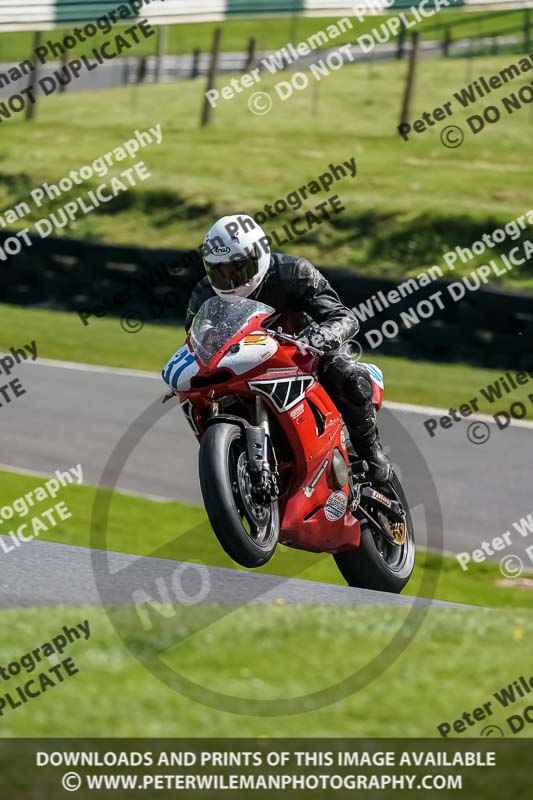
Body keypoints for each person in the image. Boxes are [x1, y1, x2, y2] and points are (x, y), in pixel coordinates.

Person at [183, 213, 391, 484]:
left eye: (237, 268)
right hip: (243, 366)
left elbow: (344, 317)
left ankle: (372, 455)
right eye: (219, 271)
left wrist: (323, 336)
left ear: (259, 255)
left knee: (348, 375)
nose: (230, 279)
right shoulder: (204, 294)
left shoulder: (293, 272)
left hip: (303, 355)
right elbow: (195, 339)